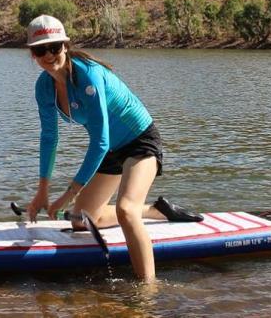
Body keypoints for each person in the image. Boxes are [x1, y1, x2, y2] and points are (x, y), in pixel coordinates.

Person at [24, 14, 202, 282]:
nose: (49, 55)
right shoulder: (44, 88)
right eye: (41, 50)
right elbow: (49, 137)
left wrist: (69, 193)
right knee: (79, 219)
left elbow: (100, 141)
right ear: (32, 55)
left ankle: (147, 290)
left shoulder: (88, 76)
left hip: (140, 141)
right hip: (111, 150)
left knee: (126, 210)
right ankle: (156, 210)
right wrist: (42, 192)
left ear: (66, 46)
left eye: (55, 47)